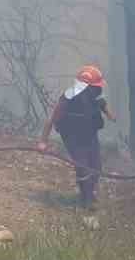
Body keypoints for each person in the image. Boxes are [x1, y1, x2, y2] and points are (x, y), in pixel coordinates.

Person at [38, 65, 115, 209]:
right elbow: (51, 119)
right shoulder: (68, 98)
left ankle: (90, 193)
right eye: (95, 86)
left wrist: (110, 115)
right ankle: (85, 200)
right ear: (85, 86)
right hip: (72, 136)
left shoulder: (95, 93)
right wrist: (43, 141)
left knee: (96, 166)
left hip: (89, 133)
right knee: (83, 166)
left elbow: (102, 104)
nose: (98, 89)